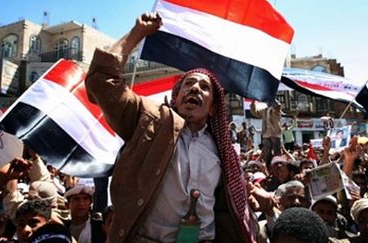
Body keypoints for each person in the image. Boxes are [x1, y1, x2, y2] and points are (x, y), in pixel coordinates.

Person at [85, 12, 257, 242]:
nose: (195, 88)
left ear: (214, 108)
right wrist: (137, 34)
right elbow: (101, 81)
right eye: (188, 84)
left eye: (204, 87)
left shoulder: (222, 150)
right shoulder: (151, 122)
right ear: (176, 99)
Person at [250, 100, 282, 165]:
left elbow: (278, 105)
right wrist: (253, 103)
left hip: (275, 134)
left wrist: (271, 98)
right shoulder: (264, 110)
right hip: (266, 134)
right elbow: (254, 112)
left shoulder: (276, 110)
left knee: (277, 153)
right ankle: (267, 166)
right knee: (266, 153)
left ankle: (278, 166)